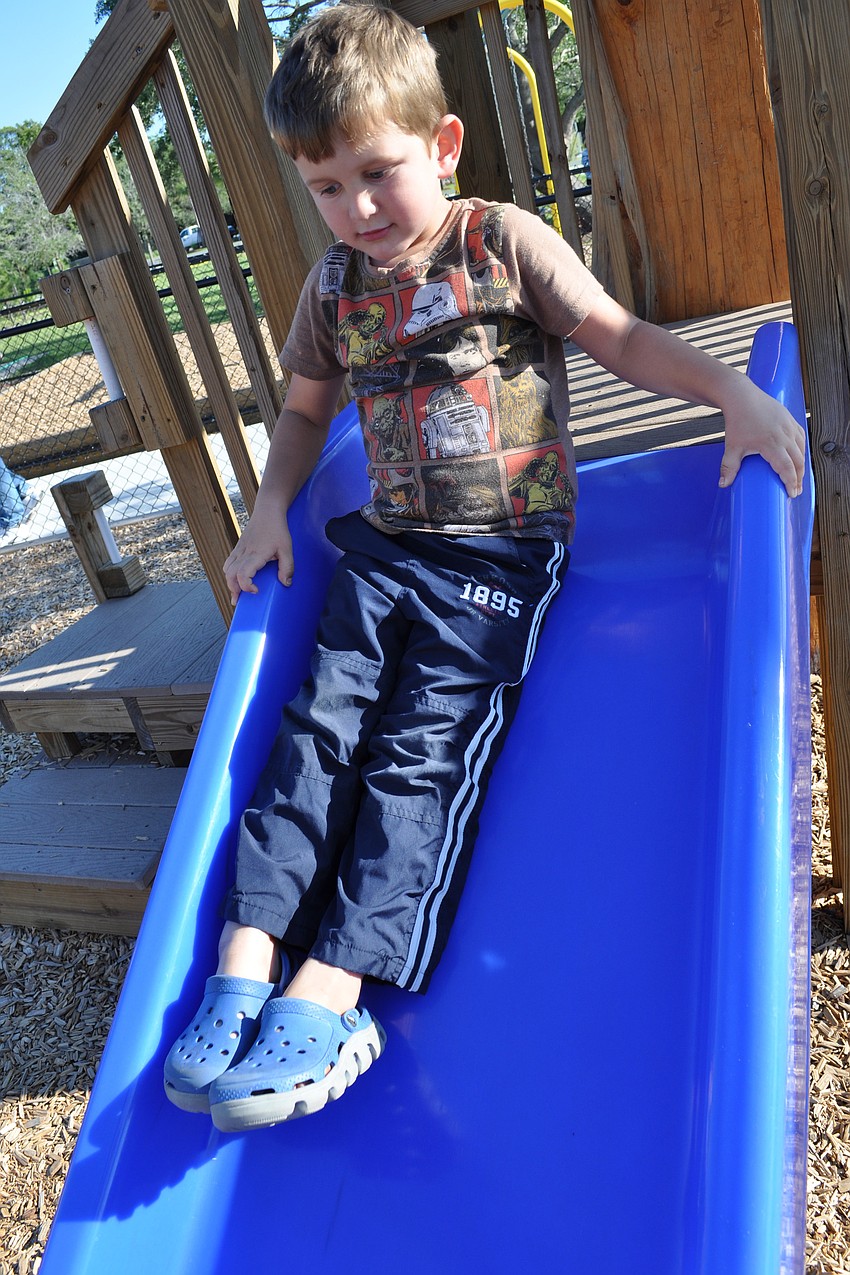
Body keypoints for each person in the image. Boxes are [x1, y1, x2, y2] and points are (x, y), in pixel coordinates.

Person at [163, 1, 806, 1132]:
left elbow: (616, 336)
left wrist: (733, 397)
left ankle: (337, 991)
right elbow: (307, 413)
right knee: (315, 734)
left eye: (378, 172)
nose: (355, 208)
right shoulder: (333, 289)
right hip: (384, 548)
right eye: (325, 185)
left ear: (443, 145)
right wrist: (268, 510)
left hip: (497, 561)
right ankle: (246, 956)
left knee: (418, 756)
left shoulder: (500, 240)